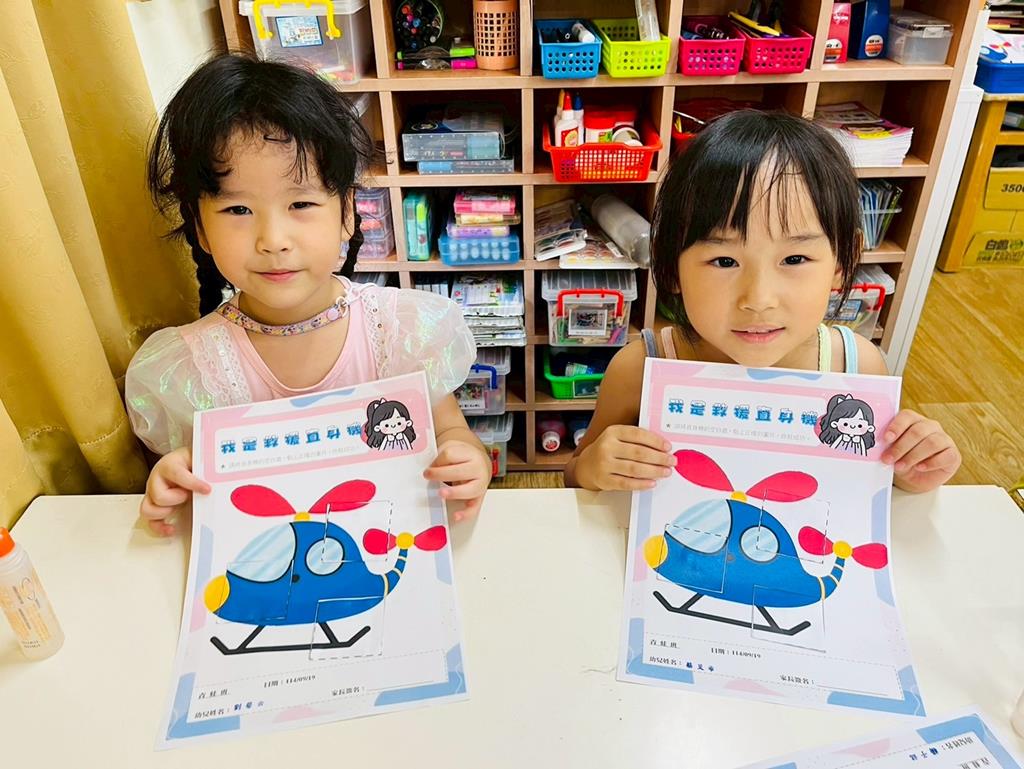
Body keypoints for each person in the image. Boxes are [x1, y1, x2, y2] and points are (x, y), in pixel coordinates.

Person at [126, 53, 491, 534]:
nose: (273, 240)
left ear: (347, 214)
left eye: (300, 203)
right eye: (237, 210)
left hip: (386, 543)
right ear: (200, 228)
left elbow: (450, 431)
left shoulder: (399, 332)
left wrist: (467, 458)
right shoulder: (191, 367)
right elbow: (195, 481)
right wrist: (173, 479)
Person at [565, 110, 960, 494]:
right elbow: (575, 477)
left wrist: (914, 469)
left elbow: (873, 478)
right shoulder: (639, 368)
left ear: (841, 263)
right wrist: (594, 466)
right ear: (671, 269)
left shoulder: (858, 368)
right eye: (724, 261)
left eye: (794, 259)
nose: (758, 299)